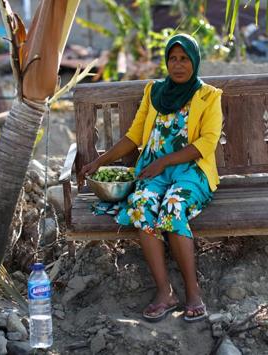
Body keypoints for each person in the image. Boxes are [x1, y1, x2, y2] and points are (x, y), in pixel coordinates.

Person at [78, 34, 223, 323]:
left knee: (172, 207)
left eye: (184, 59)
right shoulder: (153, 92)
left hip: (190, 173)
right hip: (152, 172)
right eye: (173, 58)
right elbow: (133, 136)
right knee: (141, 205)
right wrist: (99, 160)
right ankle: (165, 292)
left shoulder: (209, 96)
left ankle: (193, 293)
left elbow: (207, 143)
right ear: (166, 61)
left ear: (194, 61)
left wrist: (163, 162)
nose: (178, 65)